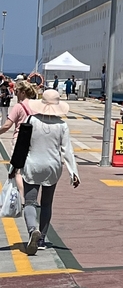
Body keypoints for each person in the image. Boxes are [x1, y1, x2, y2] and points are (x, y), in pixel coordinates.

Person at [14, 88, 80, 255]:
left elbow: (22, 144)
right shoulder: (62, 125)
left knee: (29, 201)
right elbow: (67, 150)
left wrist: (15, 165)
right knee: (47, 203)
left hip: (33, 164)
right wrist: (74, 172)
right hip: (53, 167)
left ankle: (32, 231)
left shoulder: (31, 119)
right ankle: (42, 239)